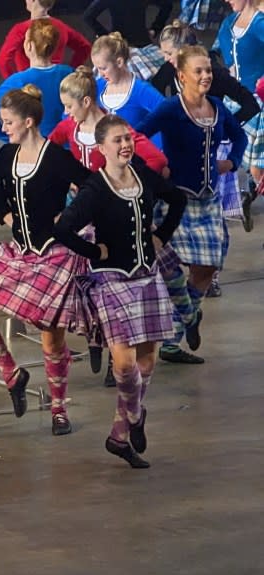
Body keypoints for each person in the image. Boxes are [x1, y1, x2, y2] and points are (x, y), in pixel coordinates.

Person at [55, 114, 187, 468]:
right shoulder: (95, 189)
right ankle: (134, 415)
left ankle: (119, 436)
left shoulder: (143, 175)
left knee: (147, 360)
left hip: (147, 275)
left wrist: (162, 236)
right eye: (117, 140)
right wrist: (94, 251)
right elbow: (64, 229)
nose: (126, 144)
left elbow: (177, 199)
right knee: (125, 365)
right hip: (111, 280)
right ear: (102, 149)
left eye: (127, 138)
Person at [0, 86, 92, 436]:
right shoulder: (7, 156)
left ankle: (59, 408)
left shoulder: (55, 158)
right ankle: (12, 373)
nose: (4, 128)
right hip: (21, 254)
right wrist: (5, 216)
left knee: (52, 338)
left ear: (29, 121)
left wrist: (70, 220)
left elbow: (90, 186)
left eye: (8, 122)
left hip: (54, 256)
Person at [49, 66, 169, 386]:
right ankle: (96, 341)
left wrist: (142, 188)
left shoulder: (115, 131)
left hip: (114, 214)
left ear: (86, 101)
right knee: (82, 287)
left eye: (69, 106)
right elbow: (49, 151)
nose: (65, 112)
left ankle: (115, 355)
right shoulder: (68, 129)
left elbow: (154, 160)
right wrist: (74, 180)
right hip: (88, 213)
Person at [135, 45, 247, 364]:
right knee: (171, 268)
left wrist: (231, 162)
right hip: (178, 201)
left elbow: (238, 138)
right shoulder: (171, 108)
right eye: (198, 71)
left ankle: (177, 332)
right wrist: (158, 165)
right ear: (181, 76)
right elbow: (138, 137)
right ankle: (184, 321)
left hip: (208, 199)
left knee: (207, 267)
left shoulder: (217, 107)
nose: (205, 76)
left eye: (208, 70)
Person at [153, 20, 260, 235]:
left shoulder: (214, 74)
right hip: (180, 149)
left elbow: (250, 104)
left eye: (168, 53)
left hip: (209, 149)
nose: (165, 58)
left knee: (208, 215)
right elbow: (154, 98)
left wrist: (224, 127)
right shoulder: (169, 70)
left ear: (183, 51)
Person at [0, 19, 74, 142]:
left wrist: (11, 137)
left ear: (29, 46)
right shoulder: (69, 73)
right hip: (67, 146)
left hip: (34, 146)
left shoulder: (17, 81)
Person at [214, 0, 264, 224]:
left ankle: (251, 190)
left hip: (260, 100)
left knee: (257, 167)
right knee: (241, 161)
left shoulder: (260, 24)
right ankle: (248, 192)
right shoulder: (228, 23)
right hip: (237, 100)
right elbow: (224, 60)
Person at [91, 33, 166, 145]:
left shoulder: (142, 91)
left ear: (119, 62)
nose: (100, 74)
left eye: (103, 68)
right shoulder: (97, 87)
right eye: (97, 68)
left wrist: (154, 149)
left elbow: (169, 117)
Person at [0, 0, 92, 79]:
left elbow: (3, 60)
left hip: (29, 85)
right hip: (56, 83)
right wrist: (71, 70)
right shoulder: (60, 27)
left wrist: (14, 83)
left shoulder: (20, 30)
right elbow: (85, 47)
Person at [83, 0, 174, 79]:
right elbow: (167, 4)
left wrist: (106, 36)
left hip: (121, 48)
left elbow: (88, 16)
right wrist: (155, 28)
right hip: (141, 44)